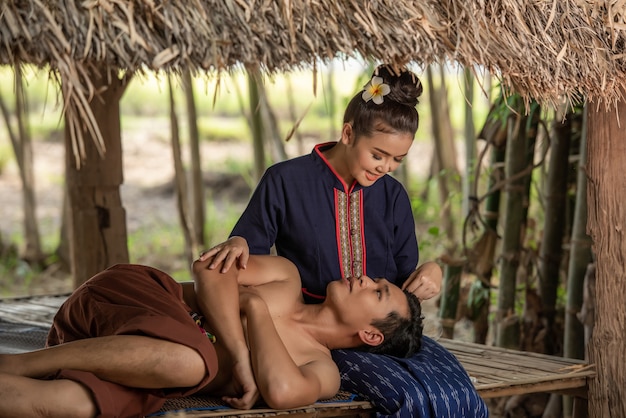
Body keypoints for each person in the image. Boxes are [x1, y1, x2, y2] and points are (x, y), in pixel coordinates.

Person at [0, 254, 423, 418]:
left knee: (71, 405)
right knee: (192, 361)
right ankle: (18, 362)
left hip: (124, 364)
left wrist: (253, 307)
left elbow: (280, 389)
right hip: (123, 299)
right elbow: (208, 271)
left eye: (377, 290)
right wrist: (239, 355)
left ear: (369, 334)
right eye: (376, 279)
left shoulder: (322, 371)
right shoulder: (286, 276)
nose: (365, 277)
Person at [201, 64, 442, 303]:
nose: (386, 167)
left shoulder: (394, 195)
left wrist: (432, 270)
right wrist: (239, 241)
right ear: (348, 134)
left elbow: (404, 279)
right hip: (308, 325)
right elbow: (249, 252)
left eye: (397, 159)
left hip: (380, 332)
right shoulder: (285, 181)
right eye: (377, 155)